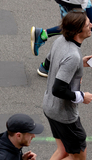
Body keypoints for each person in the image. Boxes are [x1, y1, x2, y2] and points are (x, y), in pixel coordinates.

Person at [42, 10, 92, 160]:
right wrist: (82, 96)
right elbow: (58, 89)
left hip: (50, 107)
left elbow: (50, 63)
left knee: (63, 151)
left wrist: (79, 65)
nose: (91, 26)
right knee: (78, 157)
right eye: (88, 24)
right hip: (64, 115)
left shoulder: (60, 41)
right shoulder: (73, 55)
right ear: (78, 30)